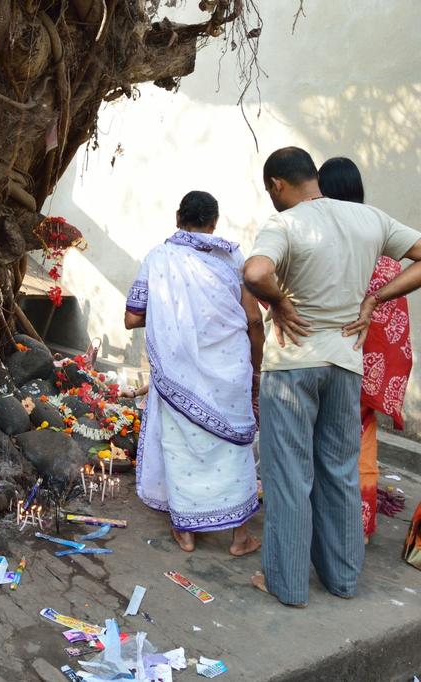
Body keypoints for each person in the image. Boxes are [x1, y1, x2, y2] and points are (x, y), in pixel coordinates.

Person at [244, 147, 421, 607]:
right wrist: (375, 298)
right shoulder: (370, 220)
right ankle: (343, 579)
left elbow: (256, 272)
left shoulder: (285, 224)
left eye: (270, 191)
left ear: (278, 185)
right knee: (339, 473)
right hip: (344, 364)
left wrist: (280, 302)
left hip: (292, 369)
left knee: (289, 477)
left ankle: (286, 584)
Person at [124, 191, 263, 556]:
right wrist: (257, 370)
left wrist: (172, 321)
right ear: (213, 223)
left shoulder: (159, 259)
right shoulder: (234, 257)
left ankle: (186, 533)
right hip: (231, 370)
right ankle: (239, 538)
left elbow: (132, 317)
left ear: (177, 217)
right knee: (235, 449)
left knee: (179, 447)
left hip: (178, 371)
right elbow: (252, 318)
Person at [318, 157, 412, 544]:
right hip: (364, 375)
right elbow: (395, 327)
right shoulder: (386, 257)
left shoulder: (321, 245)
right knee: (360, 445)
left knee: (318, 447)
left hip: (322, 365)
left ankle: (319, 527)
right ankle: (358, 527)